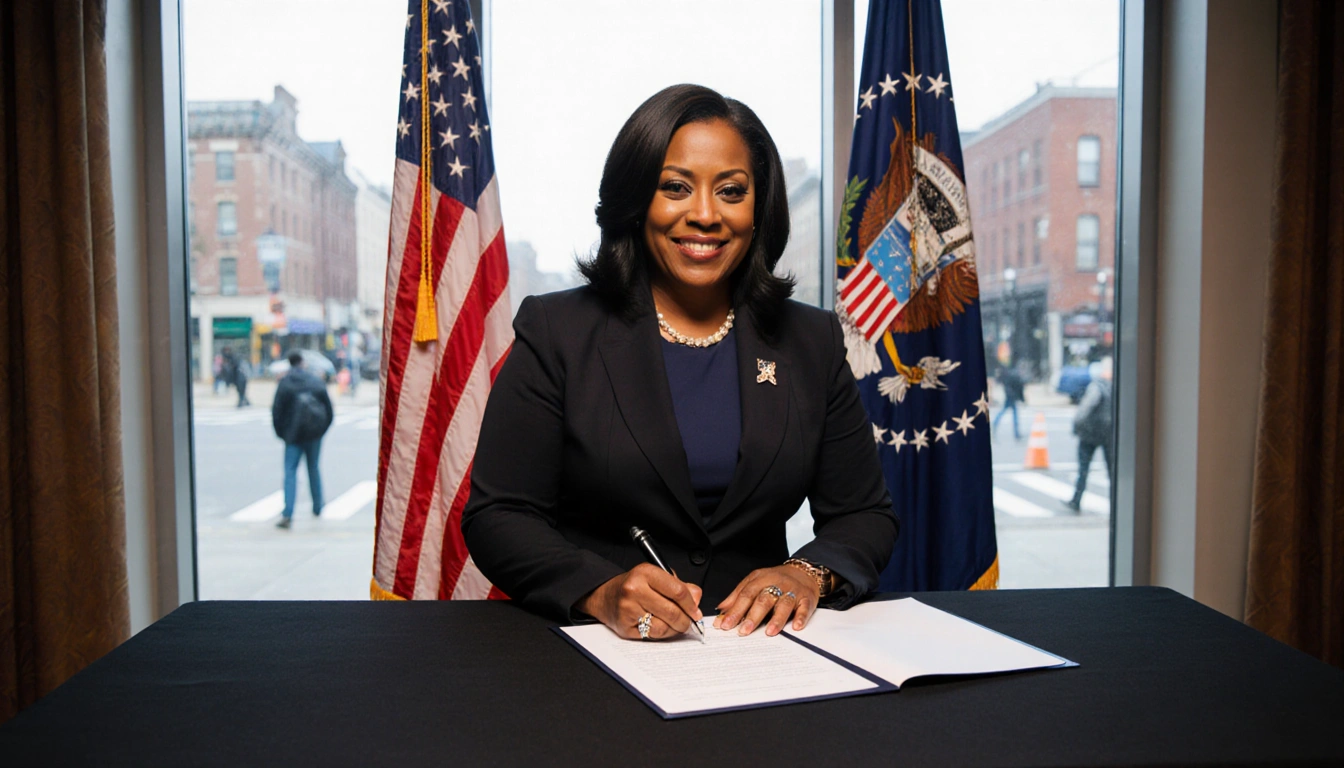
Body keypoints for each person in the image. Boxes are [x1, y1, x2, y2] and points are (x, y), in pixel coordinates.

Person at [462, 85, 898, 642]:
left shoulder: (810, 339)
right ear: (635, 199)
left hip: (762, 657)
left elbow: (865, 514)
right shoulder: (557, 331)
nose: (706, 215)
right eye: (675, 188)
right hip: (598, 655)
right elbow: (499, 515)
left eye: (732, 191)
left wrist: (806, 572)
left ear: (758, 208)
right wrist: (599, 590)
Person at [271, 350, 334, 529]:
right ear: (303, 363)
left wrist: (283, 434)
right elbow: (329, 411)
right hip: (314, 434)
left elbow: (277, 412)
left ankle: (288, 513)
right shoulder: (315, 381)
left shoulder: (285, 383)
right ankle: (318, 505)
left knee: (290, 472)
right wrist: (321, 431)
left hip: (293, 436)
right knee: (313, 468)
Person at [1068, 358, 1113, 512]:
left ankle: (1076, 500)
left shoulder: (1097, 387)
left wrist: (1076, 426)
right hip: (1108, 435)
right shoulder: (1116, 387)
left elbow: (1084, 409)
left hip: (1090, 434)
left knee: (1083, 469)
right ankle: (1115, 501)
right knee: (1111, 470)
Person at [992, 362, 1025, 440]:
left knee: (1007, 412)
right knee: (1014, 415)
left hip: (1009, 396)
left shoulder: (1011, 375)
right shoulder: (1016, 376)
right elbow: (1019, 390)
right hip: (1011, 397)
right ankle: (1016, 433)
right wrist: (1022, 400)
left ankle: (995, 424)